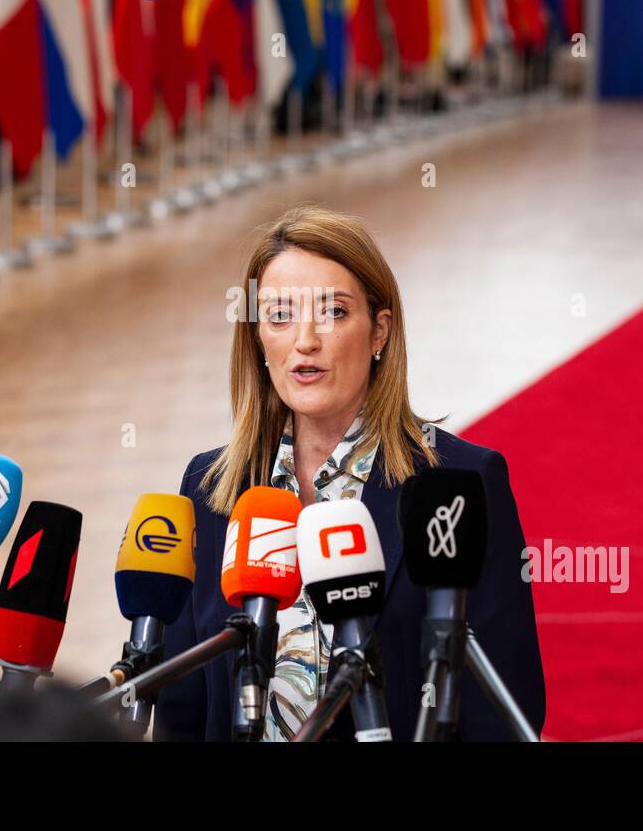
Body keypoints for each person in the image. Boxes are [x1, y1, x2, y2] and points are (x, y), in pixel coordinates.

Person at [153, 205, 545, 741]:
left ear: (379, 331)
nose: (305, 340)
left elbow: (502, 708)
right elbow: (182, 709)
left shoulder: (461, 481)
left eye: (334, 313)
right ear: (256, 338)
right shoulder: (210, 486)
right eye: (280, 315)